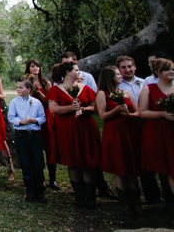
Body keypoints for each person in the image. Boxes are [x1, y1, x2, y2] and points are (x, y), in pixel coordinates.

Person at [48, 61, 102, 208]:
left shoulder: (85, 88)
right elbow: (53, 109)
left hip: (85, 127)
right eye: (76, 70)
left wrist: (85, 109)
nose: (79, 73)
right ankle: (79, 195)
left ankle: (90, 195)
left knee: (87, 161)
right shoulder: (56, 90)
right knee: (73, 161)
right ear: (67, 72)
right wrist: (70, 107)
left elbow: (95, 106)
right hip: (66, 128)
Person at [95, 66, 143, 215]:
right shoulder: (103, 94)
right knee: (120, 167)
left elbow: (138, 111)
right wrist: (116, 110)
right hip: (114, 132)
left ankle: (136, 202)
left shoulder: (126, 93)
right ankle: (125, 202)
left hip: (129, 130)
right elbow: (102, 116)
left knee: (132, 167)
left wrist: (130, 114)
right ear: (109, 77)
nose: (121, 75)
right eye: (117, 74)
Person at [138, 57, 174, 211]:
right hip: (159, 131)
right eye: (168, 69)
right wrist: (163, 115)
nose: (172, 72)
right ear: (158, 72)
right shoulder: (149, 89)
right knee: (170, 168)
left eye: (173, 68)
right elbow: (142, 112)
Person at [8, 79, 47, 203]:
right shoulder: (14, 102)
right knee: (25, 163)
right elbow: (11, 117)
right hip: (21, 135)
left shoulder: (36, 102)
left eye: (21, 87)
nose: (18, 89)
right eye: (17, 87)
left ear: (28, 90)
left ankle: (40, 191)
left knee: (37, 163)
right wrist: (21, 122)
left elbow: (43, 117)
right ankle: (29, 190)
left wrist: (34, 120)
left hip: (34, 135)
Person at [25, 58, 58, 190]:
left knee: (49, 147)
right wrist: (32, 90)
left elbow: (49, 101)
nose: (36, 69)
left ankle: (53, 179)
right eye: (33, 66)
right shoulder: (26, 83)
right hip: (33, 116)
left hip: (46, 115)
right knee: (36, 149)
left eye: (37, 66)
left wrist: (39, 92)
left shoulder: (46, 83)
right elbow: (25, 101)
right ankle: (40, 178)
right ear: (28, 69)